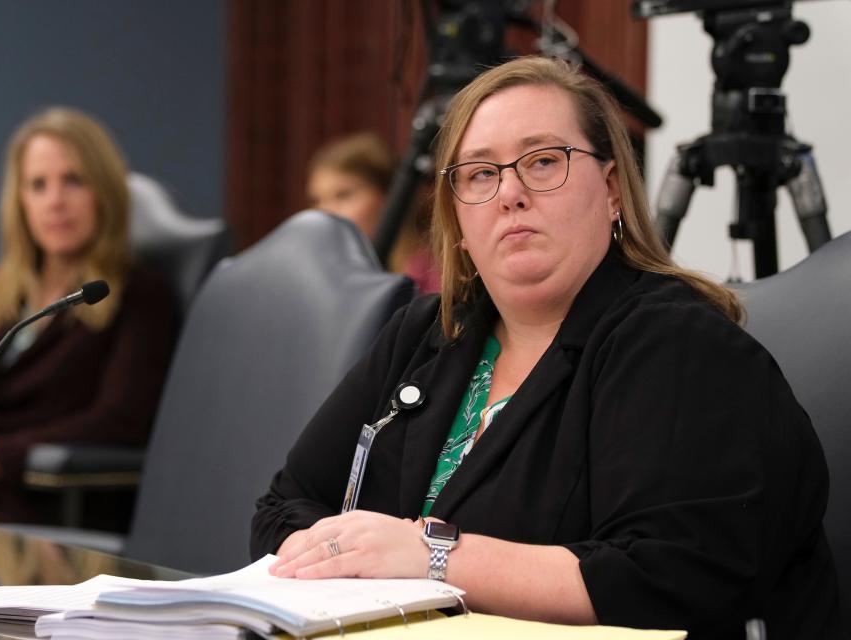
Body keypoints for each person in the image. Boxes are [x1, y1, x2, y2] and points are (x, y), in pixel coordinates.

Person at [251, 57, 842, 637]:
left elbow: (667, 579)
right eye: (480, 174)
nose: (510, 193)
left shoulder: (681, 346)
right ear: (457, 217)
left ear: (612, 188)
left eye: (542, 162)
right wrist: (333, 555)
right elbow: (284, 507)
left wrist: (427, 556)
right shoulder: (426, 334)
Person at [0, 107, 176, 525]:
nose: (55, 201)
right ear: (20, 201)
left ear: (103, 191)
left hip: (46, 513)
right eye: (38, 185)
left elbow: (119, 421)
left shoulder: (140, 296)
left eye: (73, 180)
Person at [307, 132, 440, 293]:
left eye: (344, 195)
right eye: (317, 200)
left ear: (390, 197)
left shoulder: (433, 272)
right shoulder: (320, 276)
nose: (326, 212)